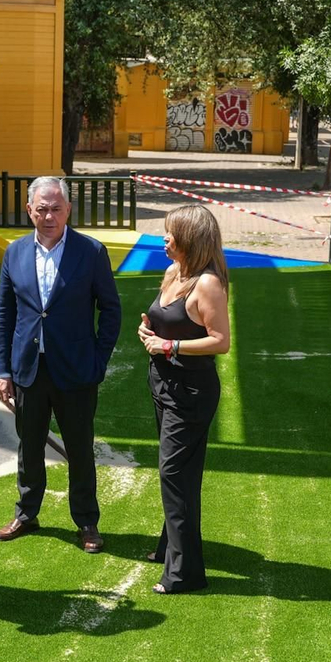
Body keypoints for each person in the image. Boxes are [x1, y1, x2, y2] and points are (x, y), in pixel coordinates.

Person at [0, 176, 122, 553]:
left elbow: (110, 310)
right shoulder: (14, 253)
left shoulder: (91, 251)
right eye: (42, 208)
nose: (49, 216)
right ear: (29, 210)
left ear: (68, 210)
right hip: (28, 369)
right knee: (28, 445)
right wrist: (3, 370)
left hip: (77, 370)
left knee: (80, 448)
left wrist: (98, 360)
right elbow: (5, 315)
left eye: (57, 208)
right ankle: (26, 513)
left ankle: (86, 522)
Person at [136, 205, 230, 594]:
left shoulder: (207, 284)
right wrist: (150, 328)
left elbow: (220, 341)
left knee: (174, 474)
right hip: (163, 383)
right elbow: (166, 318)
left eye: (170, 233)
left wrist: (168, 344)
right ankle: (171, 549)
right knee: (178, 474)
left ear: (189, 238)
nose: (164, 239)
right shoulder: (174, 272)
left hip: (190, 392)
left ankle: (185, 574)